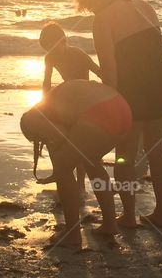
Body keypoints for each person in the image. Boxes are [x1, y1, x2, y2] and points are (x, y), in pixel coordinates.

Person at [75, 0, 162, 229]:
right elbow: (155, 50)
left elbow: (111, 72)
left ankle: (129, 215)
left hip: (133, 90)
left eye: (88, 4)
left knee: (124, 154)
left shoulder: (102, 20)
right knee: (157, 152)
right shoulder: (145, 6)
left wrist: (104, 104)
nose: (89, 10)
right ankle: (161, 214)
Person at [20, 80, 129, 247]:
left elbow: (59, 135)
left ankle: (72, 234)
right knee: (92, 163)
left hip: (99, 113)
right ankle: (109, 223)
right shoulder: (53, 101)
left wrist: (58, 170)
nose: (41, 140)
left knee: (64, 169)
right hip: (122, 109)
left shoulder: (31, 118)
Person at [40, 22, 101, 93]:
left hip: (84, 88)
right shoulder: (50, 58)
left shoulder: (77, 53)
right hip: (69, 90)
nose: (52, 51)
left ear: (62, 41)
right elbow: (47, 82)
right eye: (48, 49)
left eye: (54, 48)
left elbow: (98, 71)